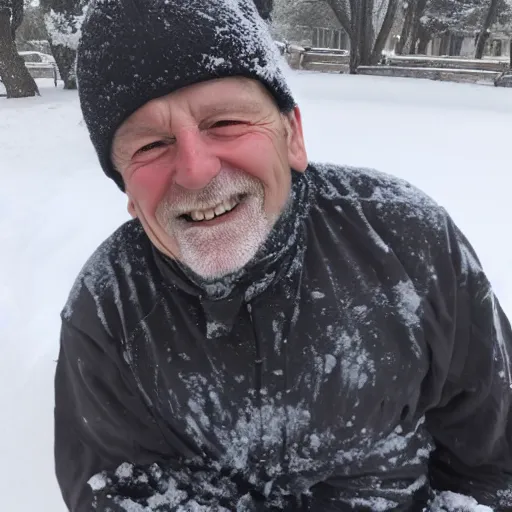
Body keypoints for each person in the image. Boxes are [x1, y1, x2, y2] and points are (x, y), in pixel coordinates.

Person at [54, 0, 512, 510]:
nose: (197, 169)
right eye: (151, 145)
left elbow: (491, 463)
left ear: (292, 135)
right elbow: (116, 492)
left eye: (225, 122)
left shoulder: (409, 241)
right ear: (129, 193)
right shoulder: (109, 307)